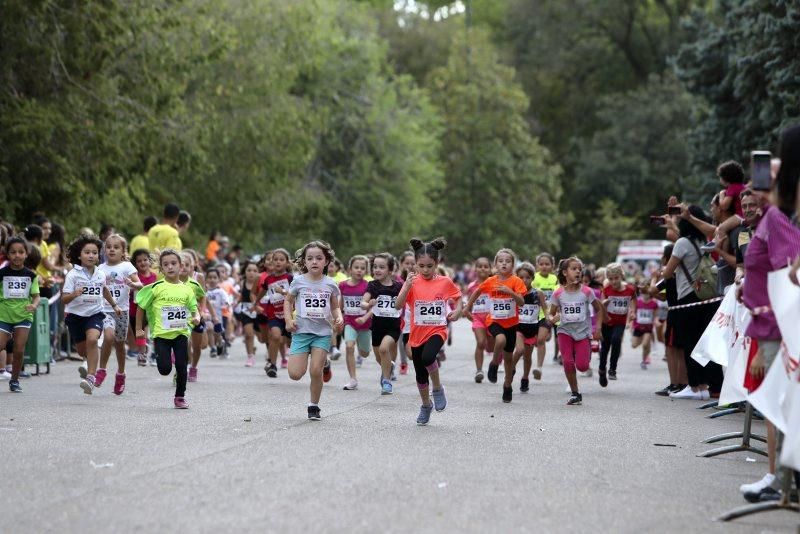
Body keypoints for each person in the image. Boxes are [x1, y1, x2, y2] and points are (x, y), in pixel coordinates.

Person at [738, 123, 800, 502]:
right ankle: (779, 479)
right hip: (769, 323)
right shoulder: (774, 215)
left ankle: (780, 482)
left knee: (777, 403)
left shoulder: (777, 219)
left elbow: (787, 275)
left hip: (775, 326)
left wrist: (772, 334)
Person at [395, 238, 462, 425]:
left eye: (429, 266)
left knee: (428, 357)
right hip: (416, 333)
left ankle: (438, 388)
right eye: (421, 265)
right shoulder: (412, 282)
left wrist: (457, 311)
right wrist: (406, 286)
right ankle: (426, 405)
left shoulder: (444, 281)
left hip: (437, 330)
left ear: (437, 264)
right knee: (420, 375)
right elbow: (397, 305)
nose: (425, 270)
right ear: (415, 263)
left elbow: (458, 298)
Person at [661, 205, 724, 400]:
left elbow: (667, 272)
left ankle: (695, 386)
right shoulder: (701, 240)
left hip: (688, 298)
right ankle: (712, 386)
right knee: (705, 343)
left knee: (690, 343)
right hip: (706, 296)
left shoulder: (681, 243)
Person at [284, 241, 343, 420]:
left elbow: (335, 307)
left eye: (319, 258)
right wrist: (288, 320)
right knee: (295, 374)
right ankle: (325, 363)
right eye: (310, 258)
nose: (314, 261)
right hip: (301, 332)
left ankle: (313, 406)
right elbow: (288, 301)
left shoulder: (331, 284)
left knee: (315, 371)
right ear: (304, 262)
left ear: (326, 261)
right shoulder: (298, 281)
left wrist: (339, 317)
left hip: (322, 333)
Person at [135, 249, 201, 409]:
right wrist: (138, 329)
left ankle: (180, 396)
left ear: (181, 266)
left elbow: (194, 307)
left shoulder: (187, 289)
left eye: (173, 264)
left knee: (181, 365)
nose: (170, 267)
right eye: (166, 264)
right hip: (161, 334)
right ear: (161, 269)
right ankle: (162, 359)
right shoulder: (156, 287)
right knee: (164, 369)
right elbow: (141, 307)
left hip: (180, 332)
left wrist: (197, 316)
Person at [464, 249, 527, 403]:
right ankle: (493, 363)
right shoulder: (491, 281)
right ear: (495, 264)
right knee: (500, 340)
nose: (504, 263)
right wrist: (467, 307)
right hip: (494, 320)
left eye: (508, 261)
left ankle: (507, 385)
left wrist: (510, 292)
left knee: (508, 360)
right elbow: (477, 291)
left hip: (511, 323)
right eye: (501, 261)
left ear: (513, 264)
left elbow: (521, 302)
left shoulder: (516, 281)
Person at [62, 235, 122, 394]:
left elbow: (104, 289)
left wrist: (114, 304)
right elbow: (64, 299)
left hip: (95, 313)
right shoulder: (73, 275)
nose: (91, 255)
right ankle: (90, 364)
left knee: (93, 339)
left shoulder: (100, 273)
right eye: (87, 252)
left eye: (94, 253)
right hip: (75, 316)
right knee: (83, 351)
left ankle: (91, 377)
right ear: (79, 255)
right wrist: (75, 294)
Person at [548, 257, 605, 406]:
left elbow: (599, 310)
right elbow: (550, 313)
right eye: (574, 269)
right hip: (564, 331)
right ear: (565, 272)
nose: (578, 271)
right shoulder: (558, 293)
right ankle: (575, 393)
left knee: (582, 366)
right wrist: (553, 319)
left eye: (580, 269)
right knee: (567, 361)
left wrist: (598, 328)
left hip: (582, 333)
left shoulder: (587, 291)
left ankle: (585, 355)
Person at [97, 235, 142, 395]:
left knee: (120, 345)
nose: (111, 249)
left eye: (116, 247)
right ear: (104, 250)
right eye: (108, 247)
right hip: (105, 309)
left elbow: (140, 284)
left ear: (123, 251)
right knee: (108, 337)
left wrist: (132, 284)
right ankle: (101, 370)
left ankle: (121, 374)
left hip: (122, 311)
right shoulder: (100, 268)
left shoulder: (127, 266)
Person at [0, 237, 41, 392]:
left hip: (23, 315)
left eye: (20, 252)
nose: (17, 255)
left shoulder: (31, 275)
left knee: (18, 349)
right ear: (7, 254)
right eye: (13, 252)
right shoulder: (1, 274)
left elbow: (36, 296)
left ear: (26, 254)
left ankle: (14, 380)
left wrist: (34, 305)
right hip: (3, 315)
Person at [362, 253, 403, 394]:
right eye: (375, 267)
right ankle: (388, 368)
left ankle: (386, 381)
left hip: (393, 327)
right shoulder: (373, 285)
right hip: (377, 327)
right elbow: (363, 302)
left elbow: (407, 300)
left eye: (381, 267)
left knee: (384, 349)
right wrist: (368, 304)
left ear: (390, 270)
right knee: (379, 357)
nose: (377, 270)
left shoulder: (399, 286)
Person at [251, 248, 293, 377]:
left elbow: (296, 295)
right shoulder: (268, 279)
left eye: (281, 260)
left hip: (290, 315)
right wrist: (256, 303)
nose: (278, 262)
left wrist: (284, 292)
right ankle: (273, 365)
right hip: (274, 313)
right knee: (275, 336)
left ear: (287, 263)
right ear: (272, 262)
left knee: (291, 342)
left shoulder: (290, 278)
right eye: (275, 259)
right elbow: (262, 291)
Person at [598, 262, 637, 386]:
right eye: (610, 279)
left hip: (619, 322)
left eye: (616, 278)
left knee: (616, 340)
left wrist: (632, 311)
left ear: (622, 276)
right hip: (607, 321)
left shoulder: (630, 289)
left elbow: (633, 299)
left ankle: (612, 369)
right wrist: (604, 306)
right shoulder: (606, 289)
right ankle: (602, 370)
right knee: (605, 347)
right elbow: (600, 306)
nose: (614, 281)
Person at [512, 262, 547, 393]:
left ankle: (525, 378)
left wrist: (549, 319)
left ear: (532, 278)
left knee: (527, 356)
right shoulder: (516, 293)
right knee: (519, 350)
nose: (524, 280)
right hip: (518, 328)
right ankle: (511, 367)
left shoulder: (538, 294)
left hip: (532, 329)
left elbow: (545, 309)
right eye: (521, 277)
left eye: (527, 277)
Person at [339, 255, 372, 391]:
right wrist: (339, 318)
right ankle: (353, 379)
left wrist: (365, 317)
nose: (359, 270)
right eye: (356, 267)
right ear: (350, 269)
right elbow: (340, 305)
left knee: (364, 353)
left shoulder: (368, 286)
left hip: (365, 325)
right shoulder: (342, 285)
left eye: (362, 268)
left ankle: (362, 347)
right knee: (349, 346)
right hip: (350, 322)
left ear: (366, 271)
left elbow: (372, 307)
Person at [179, 251, 212, 382]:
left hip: (196, 316)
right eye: (181, 265)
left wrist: (203, 311)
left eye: (187, 265)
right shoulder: (171, 282)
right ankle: (186, 365)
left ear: (192, 267)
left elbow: (203, 296)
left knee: (197, 346)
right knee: (184, 341)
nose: (183, 268)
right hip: (181, 318)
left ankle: (194, 367)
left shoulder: (196, 282)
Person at [463, 257, 493, 383]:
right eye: (480, 266)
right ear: (475, 269)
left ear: (490, 269)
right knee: (481, 342)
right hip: (478, 319)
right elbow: (467, 303)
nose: (483, 269)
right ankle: (479, 370)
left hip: (492, 319)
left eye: (486, 266)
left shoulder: (494, 284)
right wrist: (468, 313)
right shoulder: (471, 287)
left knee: (491, 347)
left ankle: (495, 361)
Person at [129, 249, 157, 366]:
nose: (143, 263)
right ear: (135, 264)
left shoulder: (154, 276)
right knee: (139, 334)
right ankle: (143, 350)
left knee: (150, 331)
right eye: (139, 261)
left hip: (149, 309)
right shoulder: (133, 276)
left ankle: (149, 355)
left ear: (149, 261)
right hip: (134, 309)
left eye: (145, 260)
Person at [533, 252, 560, 374]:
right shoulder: (534, 278)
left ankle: (541, 365)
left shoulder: (555, 279)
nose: (544, 266)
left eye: (547, 264)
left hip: (553, 313)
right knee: (541, 339)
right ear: (537, 265)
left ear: (552, 266)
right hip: (538, 313)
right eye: (541, 264)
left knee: (548, 338)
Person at [235, 260, 259, 367]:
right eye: (249, 270)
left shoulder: (261, 283)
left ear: (258, 272)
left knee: (262, 337)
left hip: (259, 311)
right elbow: (242, 295)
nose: (251, 273)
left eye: (254, 270)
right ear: (245, 272)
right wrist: (236, 303)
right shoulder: (242, 283)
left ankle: (268, 351)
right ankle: (250, 356)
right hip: (246, 311)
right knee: (248, 334)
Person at [631, 288, 658, 369]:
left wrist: (656, 321)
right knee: (634, 345)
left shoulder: (654, 303)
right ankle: (647, 347)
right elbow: (632, 312)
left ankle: (643, 361)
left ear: (650, 294)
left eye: (646, 293)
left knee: (645, 344)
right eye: (643, 293)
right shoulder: (638, 302)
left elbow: (655, 315)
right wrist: (629, 321)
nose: (645, 295)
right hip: (638, 327)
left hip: (648, 328)